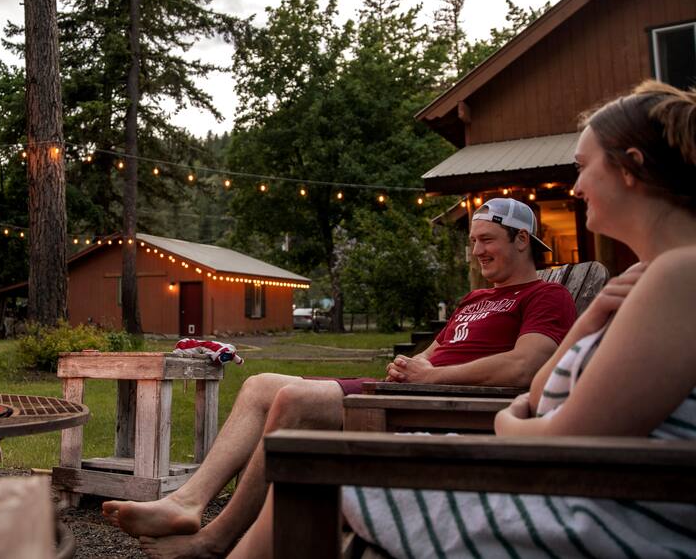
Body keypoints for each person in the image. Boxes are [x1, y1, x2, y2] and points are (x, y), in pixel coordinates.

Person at [228, 80, 696, 558]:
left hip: (596, 514)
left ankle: (215, 542)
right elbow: (544, 394)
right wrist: (593, 314)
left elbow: (561, 432)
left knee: (317, 470)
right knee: (303, 439)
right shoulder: (654, 277)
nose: (576, 187)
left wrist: (508, 420)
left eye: (582, 167)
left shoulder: (679, 274)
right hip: (572, 485)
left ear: (630, 167)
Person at [103, 198, 576, 559]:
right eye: (473, 241)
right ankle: (187, 503)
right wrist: (411, 365)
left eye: (487, 240)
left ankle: (216, 539)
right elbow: (434, 353)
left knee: (294, 400)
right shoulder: (475, 299)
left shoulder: (546, 296)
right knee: (258, 384)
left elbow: (525, 365)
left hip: (436, 409)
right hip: (409, 391)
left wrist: (433, 376)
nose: (476, 251)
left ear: (521, 239)